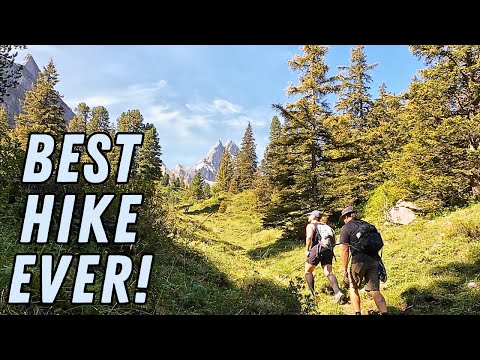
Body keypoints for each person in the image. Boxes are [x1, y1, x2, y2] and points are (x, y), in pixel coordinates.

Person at [339, 206, 387, 315]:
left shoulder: (346, 228)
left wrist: (344, 269)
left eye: (343, 218)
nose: (344, 220)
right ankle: (384, 312)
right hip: (374, 260)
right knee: (374, 290)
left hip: (358, 262)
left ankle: (357, 313)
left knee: (353, 287)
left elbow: (345, 249)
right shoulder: (367, 225)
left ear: (346, 216)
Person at [305, 210, 344, 303]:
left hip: (317, 249)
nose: (308, 217)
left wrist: (307, 250)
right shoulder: (326, 226)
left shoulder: (311, 225)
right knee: (329, 272)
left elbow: (309, 237)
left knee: (308, 271)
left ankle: (314, 296)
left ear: (314, 217)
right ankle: (338, 292)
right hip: (328, 250)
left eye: (310, 215)